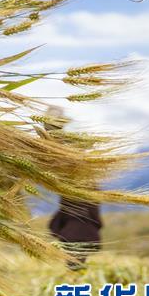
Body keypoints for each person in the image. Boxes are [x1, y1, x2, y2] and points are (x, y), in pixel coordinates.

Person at [44, 107, 103, 270]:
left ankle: (75, 275)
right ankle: (76, 274)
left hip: (73, 230)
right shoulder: (85, 178)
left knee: (75, 262)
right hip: (77, 229)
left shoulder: (79, 177)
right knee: (76, 262)